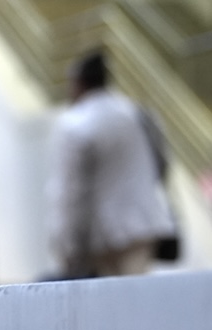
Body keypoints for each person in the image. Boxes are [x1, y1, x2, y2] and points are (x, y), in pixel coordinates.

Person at [47, 50, 176, 278]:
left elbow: (72, 192)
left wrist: (67, 245)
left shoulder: (75, 124)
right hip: (142, 228)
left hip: (102, 236)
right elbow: (162, 165)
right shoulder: (136, 113)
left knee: (106, 306)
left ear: (79, 84)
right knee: (136, 300)